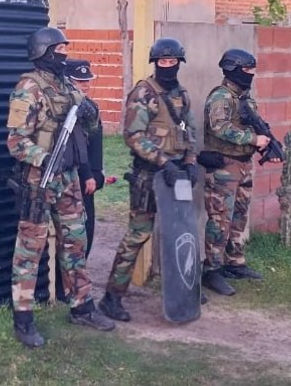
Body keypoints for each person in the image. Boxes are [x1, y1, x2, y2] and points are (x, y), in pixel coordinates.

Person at [5, 27, 115, 348]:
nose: (64, 54)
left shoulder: (66, 86)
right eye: (59, 50)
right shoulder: (28, 88)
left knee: (75, 242)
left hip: (67, 179)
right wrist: (44, 158)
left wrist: (90, 111)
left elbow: (90, 125)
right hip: (39, 181)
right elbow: (16, 142)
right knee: (30, 251)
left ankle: (81, 306)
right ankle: (23, 319)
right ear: (44, 53)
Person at [98, 37, 202, 322]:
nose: (167, 66)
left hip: (177, 176)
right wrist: (163, 161)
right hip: (150, 176)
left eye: (172, 62)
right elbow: (133, 136)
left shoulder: (181, 94)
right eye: (162, 62)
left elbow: (190, 132)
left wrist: (191, 162)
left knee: (182, 232)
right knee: (138, 236)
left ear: (179, 63)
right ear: (155, 63)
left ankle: (184, 288)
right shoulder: (143, 93)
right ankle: (112, 297)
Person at [198, 48, 274, 297]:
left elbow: (254, 123)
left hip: (243, 165)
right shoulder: (221, 98)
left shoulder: (245, 98)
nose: (251, 74)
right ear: (233, 69)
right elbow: (220, 128)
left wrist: (266, 143)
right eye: (247, 70)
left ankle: (235, 262)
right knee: (220, 219)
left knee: (239, 217)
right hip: (224, 167)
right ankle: (212, 270)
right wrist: (254, 139)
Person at [45, 58, 105, 303]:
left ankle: (73, 286)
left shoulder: (89, 108)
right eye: (80, 81)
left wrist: (96, 174)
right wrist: (87, 175)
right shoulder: (65, 111)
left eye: (88, 81)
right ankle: (61, 287)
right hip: (71, 178)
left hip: (88, 180)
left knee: (85, 234)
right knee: (65, 236)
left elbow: (95, 145)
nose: (85, 86)